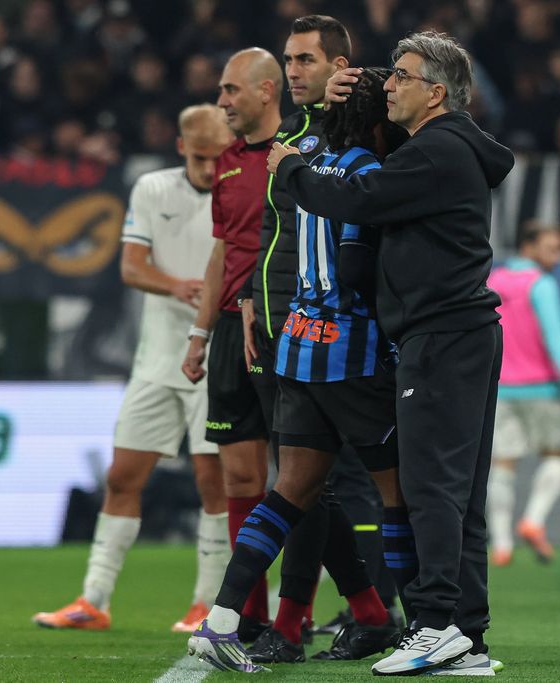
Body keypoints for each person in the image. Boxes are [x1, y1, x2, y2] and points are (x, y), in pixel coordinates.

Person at [268, 30, 515, 676]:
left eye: (403, 77)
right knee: (458, 494)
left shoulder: (434, 153)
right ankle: (468, 634)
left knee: (432, 484)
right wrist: (336, 100)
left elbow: (355, 197)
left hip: (440, 336)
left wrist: (289, 166)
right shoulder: (442, 146)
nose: (391, 87)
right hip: (458, 334)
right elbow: (376, 137)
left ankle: (434, 623)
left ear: (435, 92)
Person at [188, 67, 412, 673]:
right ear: (378, 120)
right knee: (397, 495)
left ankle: (221, 619)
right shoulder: (370, 174)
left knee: (291, 490)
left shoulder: (303, 157)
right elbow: (362, 268)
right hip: (352, 353)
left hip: (297, 344)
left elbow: (276, 230)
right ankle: (423, 625)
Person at [237, 15, 402, 662]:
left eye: (306, 60)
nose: (293, 71)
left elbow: (381, 181)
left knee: (312, 487)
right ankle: (360, 611)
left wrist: (352, 110)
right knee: (305, 488)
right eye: (289, 59)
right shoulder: (291, 135)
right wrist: (251, 296)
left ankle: (297, 619)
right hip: (281, 331)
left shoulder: (342, 137)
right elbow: (272, 232)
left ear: (341, 69)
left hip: (335, 338)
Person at [32, 104, 234, 631]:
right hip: (155, 360)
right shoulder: (151, 189)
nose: (211, 169)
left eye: (219, 157)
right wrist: (178, 286)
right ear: (180, 148)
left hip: (216, 360)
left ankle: (206, 603)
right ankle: (93, 598)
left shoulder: (241, 192)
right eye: (200, 157)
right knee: (123, 476)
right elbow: (130, 265)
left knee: (213, 481)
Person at [182, 47, 281, 641]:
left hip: (282, 324)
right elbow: (222, 252)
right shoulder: (227, 165)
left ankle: (309, 613)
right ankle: (253, 615)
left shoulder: (298, 153)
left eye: (230, 91)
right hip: (226, 330)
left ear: (266, 91)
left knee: (302, 480)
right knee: (240, 480)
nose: (221, 102)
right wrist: (199, 335)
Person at [485, 223, 560, 567]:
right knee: (556, 455)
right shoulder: (541, 284)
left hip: (500, 387)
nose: (556, 257)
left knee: (503, 463)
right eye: (551, 248)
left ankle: (501, 543)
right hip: (542, 388)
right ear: (529, 247)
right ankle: (533, 520)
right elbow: (555, 339)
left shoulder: (494, 280)